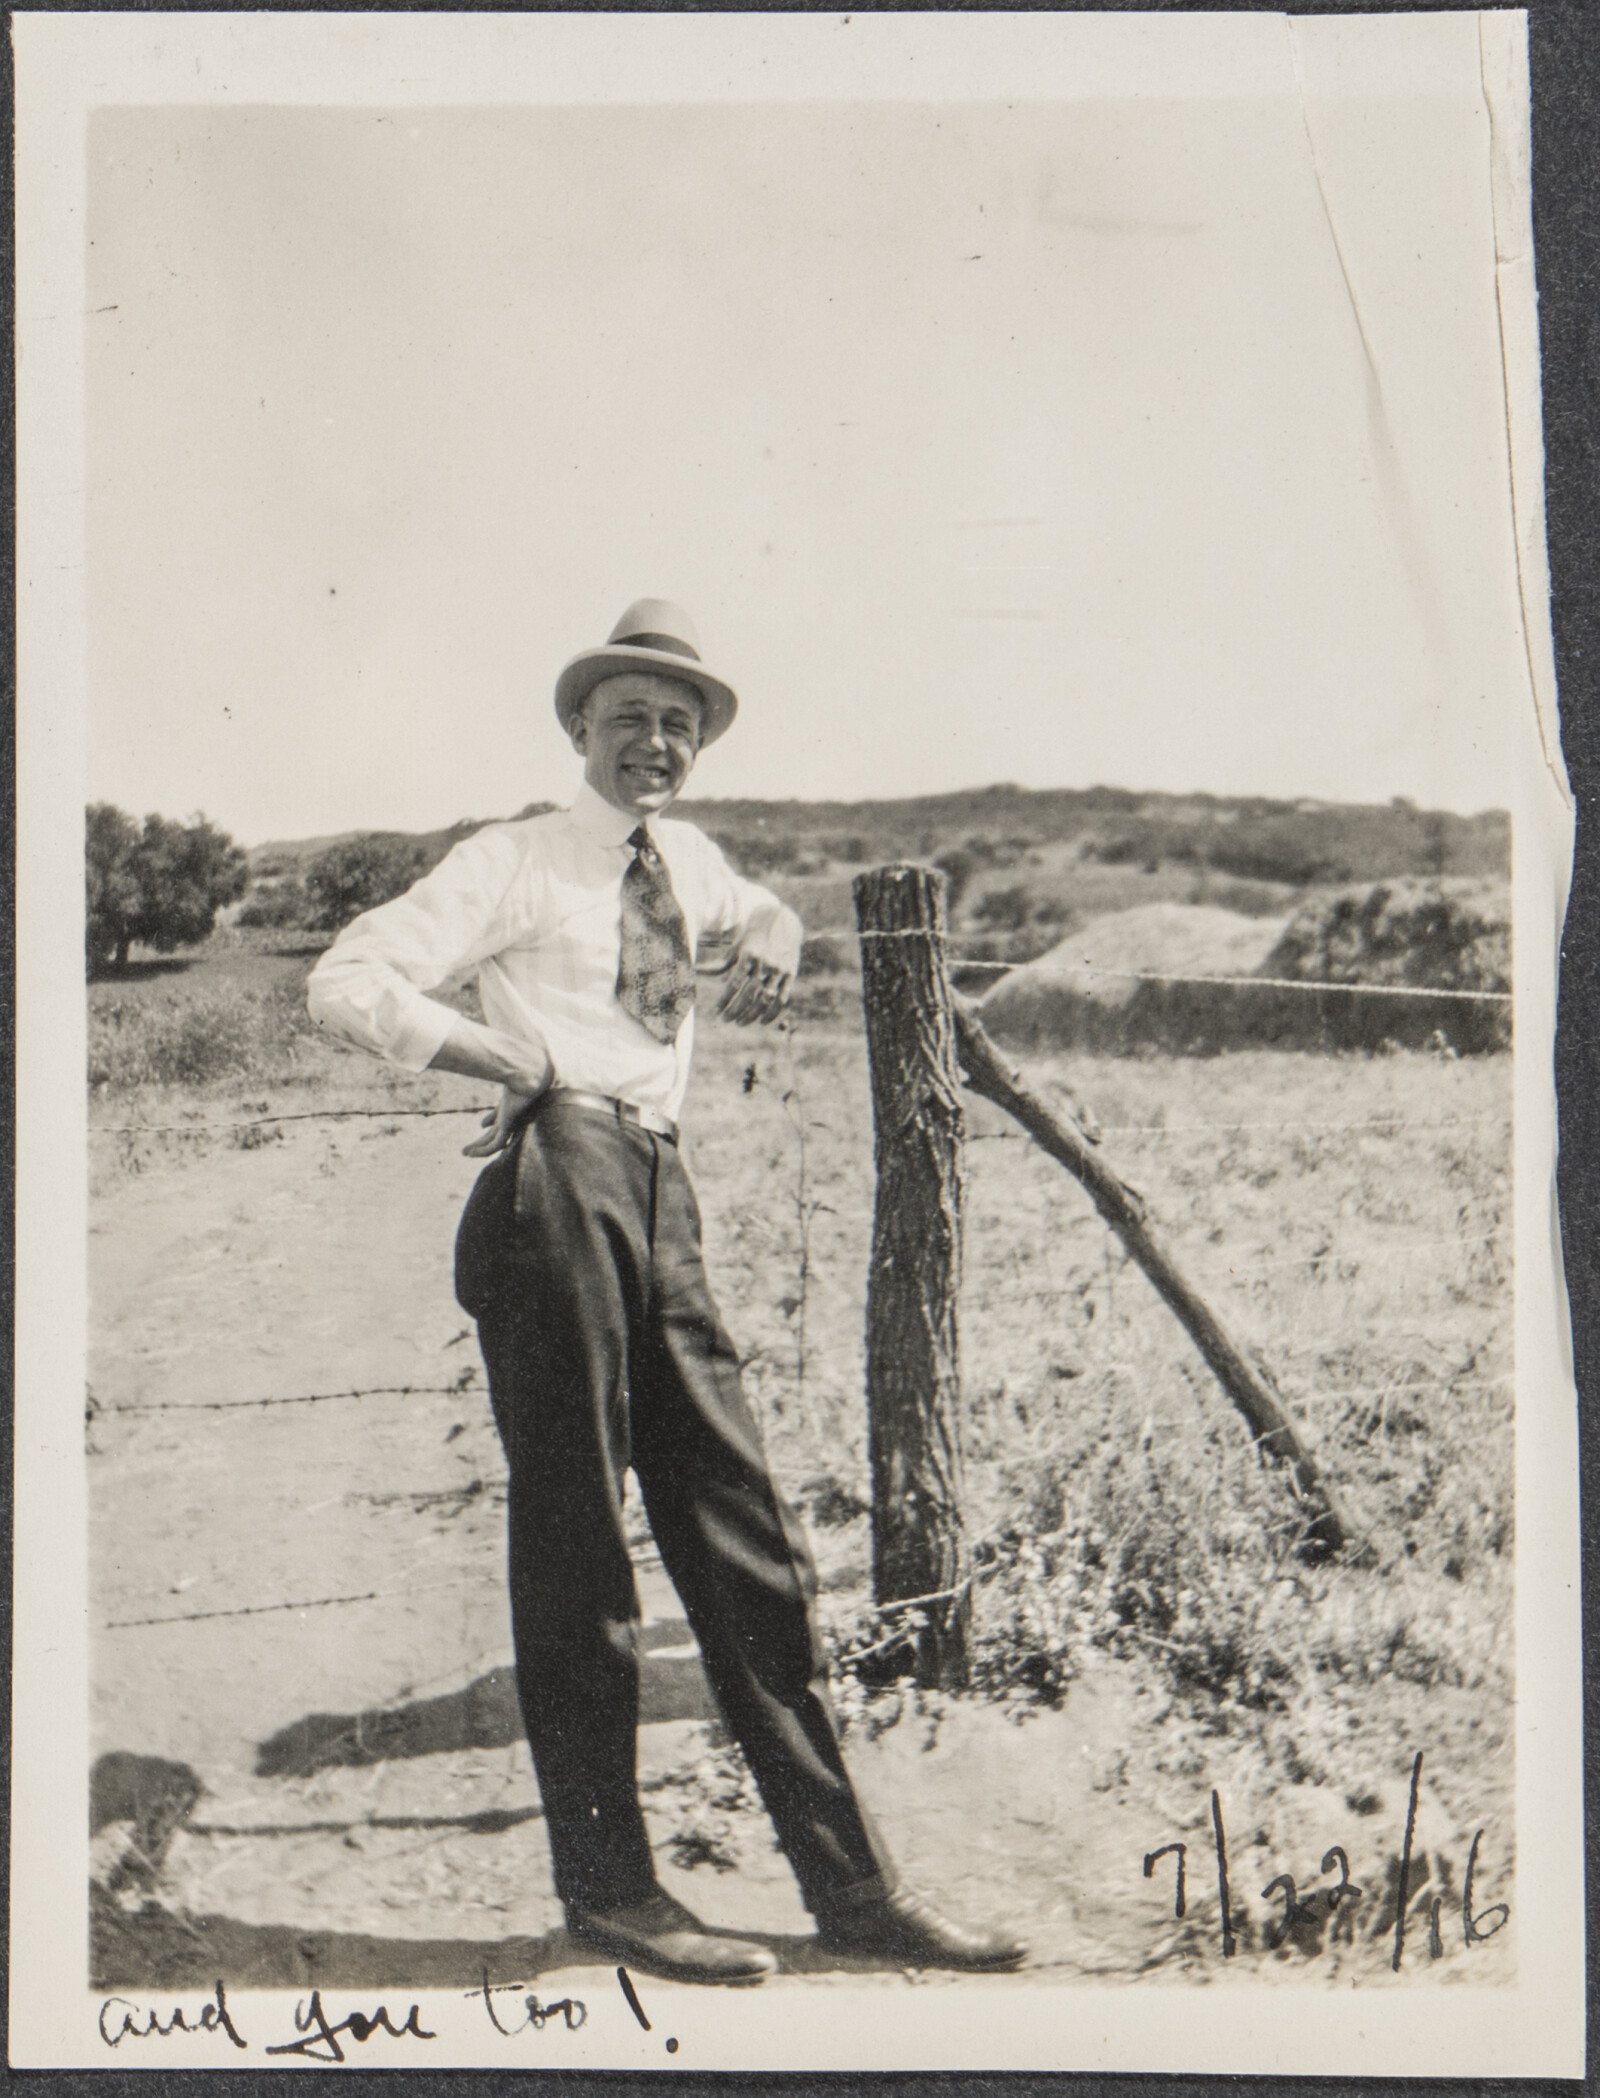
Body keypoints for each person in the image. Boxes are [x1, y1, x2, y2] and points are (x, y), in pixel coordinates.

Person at [306, 599, 1025, 1986]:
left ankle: (855, 1891)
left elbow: (754, 907)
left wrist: (779, 933)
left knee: (748, 1539)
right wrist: (498, 1062)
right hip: (558, 1178)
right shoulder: (515, 858)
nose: (656, 740)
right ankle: (613, 1889)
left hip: (660, 1186)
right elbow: (350, 978)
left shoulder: (685, 856)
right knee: (578, 1538)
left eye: (679, 724)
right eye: (630, 715)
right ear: (579, 726)